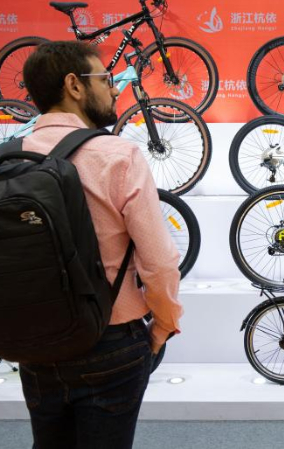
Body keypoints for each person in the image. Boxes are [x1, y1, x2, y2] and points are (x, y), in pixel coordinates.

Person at [16, 41, 183, 448]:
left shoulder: (12, 159)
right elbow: (159, 263)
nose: (113, 89)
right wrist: (163, 326)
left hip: (35, 344)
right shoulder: (118, 155)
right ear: (74, 85)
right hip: (110, 338)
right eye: (105, 79)